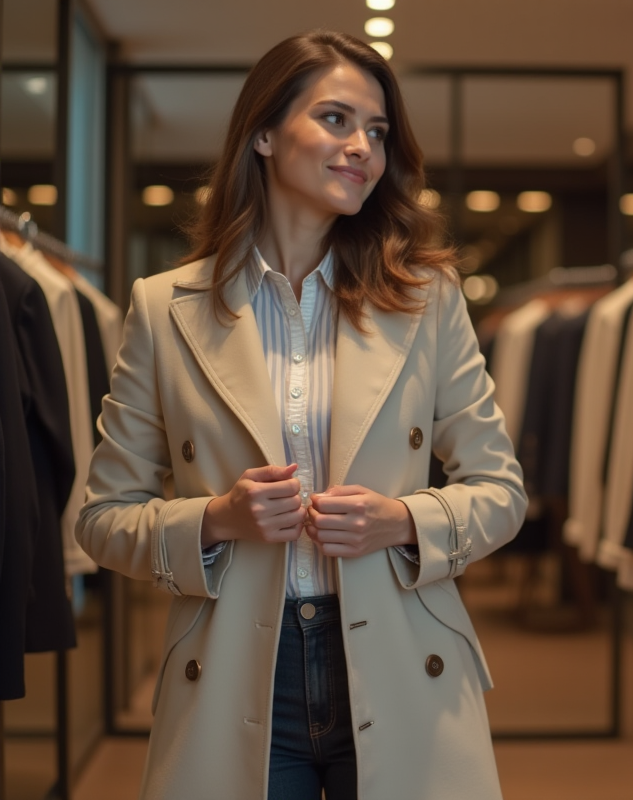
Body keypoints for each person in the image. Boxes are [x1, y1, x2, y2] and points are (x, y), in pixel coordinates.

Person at [77, 30, 526, 800]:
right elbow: (101, 518)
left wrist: (402, 520)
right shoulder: (164, 308)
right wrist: (216, 519)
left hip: (401, 661)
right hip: (235, 672)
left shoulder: (427, 302)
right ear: (263, 133)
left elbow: (502, 492)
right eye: (335, 119)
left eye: (377, 131)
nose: (362, 148)